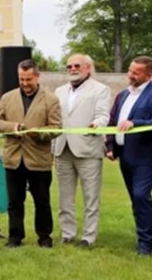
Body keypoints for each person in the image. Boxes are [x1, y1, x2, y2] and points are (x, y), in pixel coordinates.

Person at [105, 56, 152, 256]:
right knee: (136, 200)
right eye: (129, 70)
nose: (130, 75)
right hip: (125, 155)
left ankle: (145, 244)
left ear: (149, 75)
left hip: (146, 156)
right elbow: (113, 121)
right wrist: (110, 145)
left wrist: (136, 122)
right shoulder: (123, 95)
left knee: (141, 196)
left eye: (136, 73)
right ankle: (149, 239)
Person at [0, 60, 61, 248]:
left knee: (42, 202)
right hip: (14, 158)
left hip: (38, 159)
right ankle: (15, 237)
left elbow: (56, 128)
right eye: (21, 79)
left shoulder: (50, 99)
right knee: (14, 201)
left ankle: (44, 237)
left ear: (37, 76)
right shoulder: (7, 98)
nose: (24, 83)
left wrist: (36, 132)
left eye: (28, 79)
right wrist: (13, 127)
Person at [53, 54, 111, 247]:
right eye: (69, 66)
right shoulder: (59, 91)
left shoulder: (101, 90)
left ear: (88, 68)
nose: (72, 69)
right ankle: (68, 233)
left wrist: (97, 123)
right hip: (62, 149)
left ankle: (88, 236)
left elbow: (104, 115)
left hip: (88, 149)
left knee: (91, 197)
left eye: (77, 65)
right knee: (65, 197)